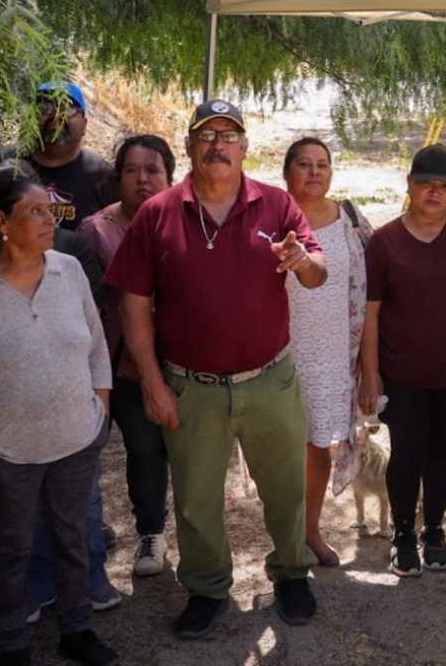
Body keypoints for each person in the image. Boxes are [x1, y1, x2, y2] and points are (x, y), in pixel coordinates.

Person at [105, 98, 327, 639]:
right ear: (189, 147)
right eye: (207, 136)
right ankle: (206, 588)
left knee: (285, 489)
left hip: (270, 380)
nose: (218, 145)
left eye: (229, 136)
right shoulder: (158, 213)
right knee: (197, 498)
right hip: (191, 386)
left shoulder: (276, 206)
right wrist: (154, 383)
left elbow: (317, 271)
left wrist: (303, 261)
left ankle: (292, 572)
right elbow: (133, 303)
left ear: (246, 148)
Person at [0, 162, 118, 666]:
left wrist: (99, 404)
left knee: (73, 540)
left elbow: (96, 345)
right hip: (9, 451)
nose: (49, 220)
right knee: (12, 552)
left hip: (77, 440)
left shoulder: (70, 270)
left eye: (50, 210)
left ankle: (76, 631)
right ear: (0, 221)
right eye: (34, 211)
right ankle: (13, 642)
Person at [363, 144, 446, 577]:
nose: (434, 192)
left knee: (442, 451)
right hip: (402, 373)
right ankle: (402, 534)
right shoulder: (384, 242)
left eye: (444, 186)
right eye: (425, 183)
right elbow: (371, 312)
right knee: (407, 451)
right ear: (408, 185)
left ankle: (434, 530)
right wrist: (371, 373)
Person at [77, 135, 176, 579]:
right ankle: (123, 531)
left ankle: (168, 532)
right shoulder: (95, 231)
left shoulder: (186, 225)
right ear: (118, 178)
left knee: (163, 450)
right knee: (117, 449)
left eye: (152, 170)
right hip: (114, 365)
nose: (142, 180)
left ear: (170, 177)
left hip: (172, 362)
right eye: (132, 171)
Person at [281, 136, 372, 569]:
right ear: (287, 172)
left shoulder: (350, 219)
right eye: (304, 163)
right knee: (279, 448)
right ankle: (283, 534)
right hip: (280, 348)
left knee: (319, 445)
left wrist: (370, 368)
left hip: (334, 349)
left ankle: (310, 531)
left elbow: (375, 294)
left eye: (323, 164)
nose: (315, 171)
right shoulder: (270, 217)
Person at [0, 81, 114, 243]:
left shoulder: (104, 177)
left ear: (84, 125)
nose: (56, 115)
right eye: (45, 107)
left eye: (68, 108)